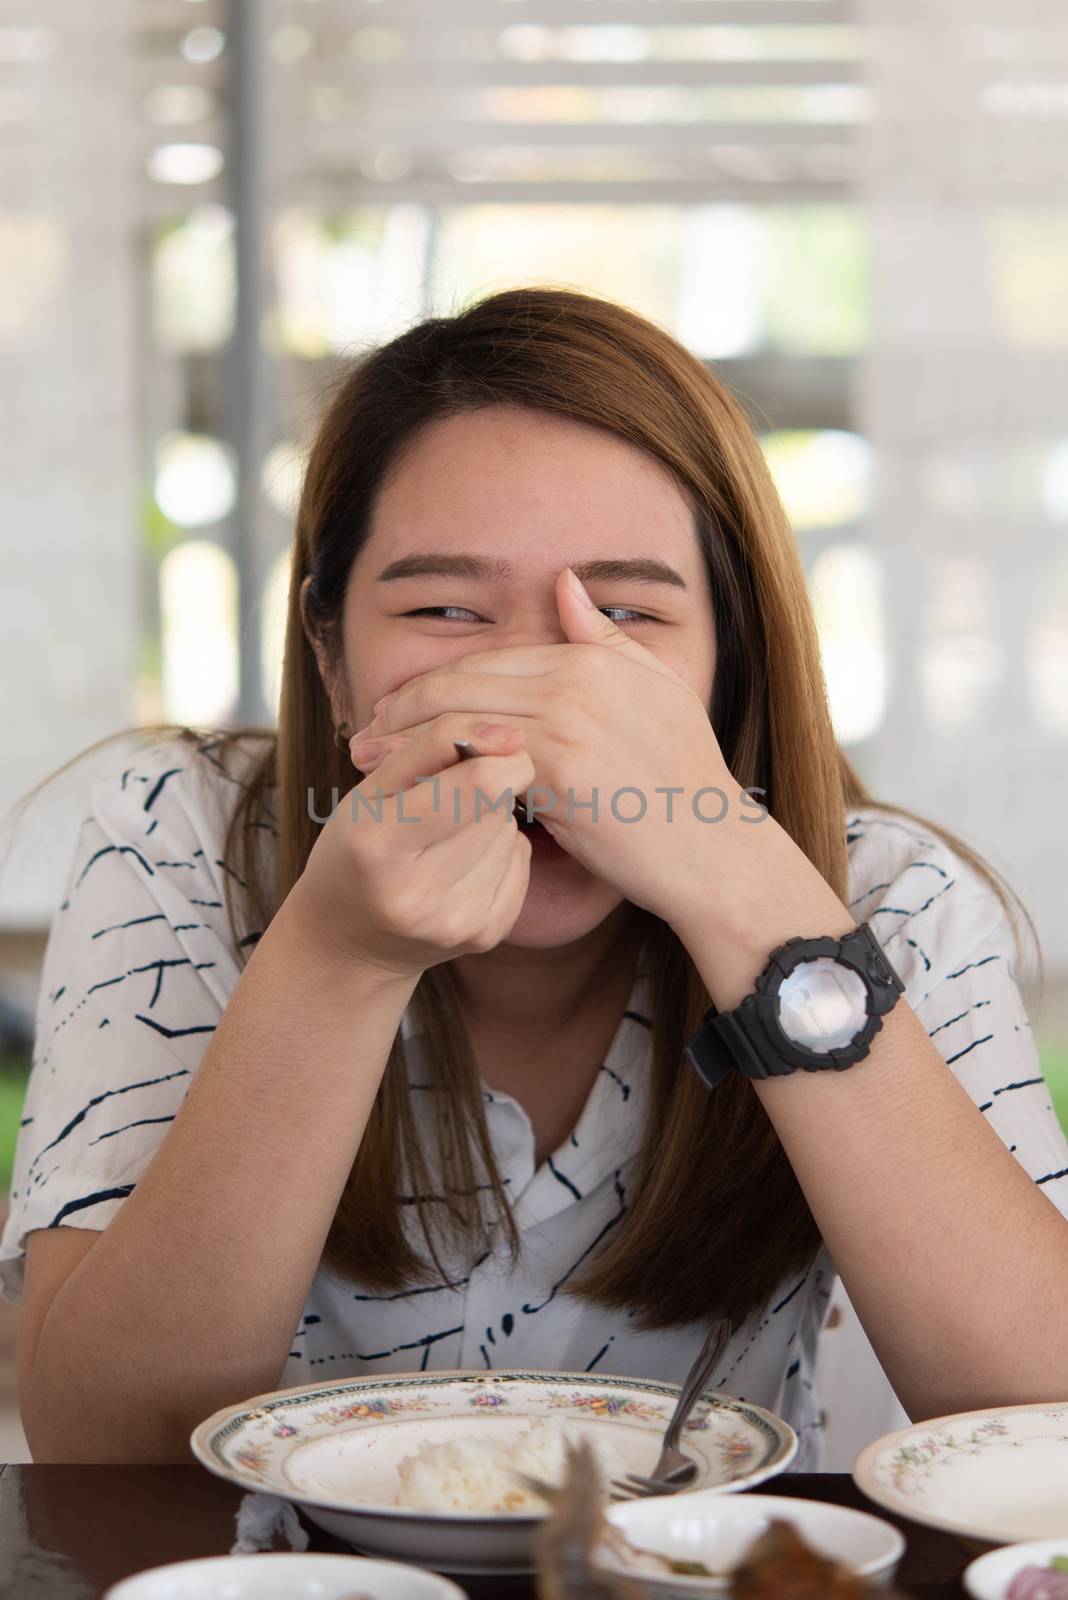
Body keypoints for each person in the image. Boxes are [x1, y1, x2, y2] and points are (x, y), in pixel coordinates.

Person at [3, 287, 1067, 1468]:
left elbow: (1041, 1419)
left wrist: (738, 887)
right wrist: (337, 957)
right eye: (447, 608)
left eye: (626, 615)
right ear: (330, 654)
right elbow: (100, 1453)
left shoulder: (888, 899)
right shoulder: (178, 839)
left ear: (729, 660)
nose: (543, 694)